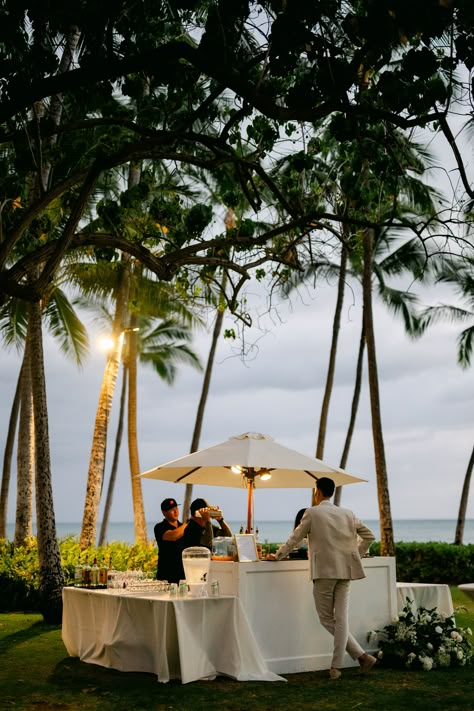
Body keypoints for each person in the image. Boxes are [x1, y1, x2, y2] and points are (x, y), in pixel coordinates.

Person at [268, 477, 376, 680]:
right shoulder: (348, 513)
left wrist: (278, 555)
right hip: (346, 571)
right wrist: (355, 554)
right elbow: (369, 536)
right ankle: (358, 658)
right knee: (341, 619)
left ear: (317, 491)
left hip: (324, 571)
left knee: (327, 619)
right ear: (332, 492)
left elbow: (295, 538)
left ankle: (342, 665)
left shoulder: (312, 512)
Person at [154, 498, 188, 584]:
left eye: (176, 508)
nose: (175, 511)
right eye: (171, 509)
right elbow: (173, 536)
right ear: (164, 512)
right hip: (166, 577)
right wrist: (188, 523)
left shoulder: (183, 526)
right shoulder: (160, 527)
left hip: (183, 576)